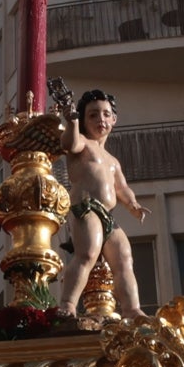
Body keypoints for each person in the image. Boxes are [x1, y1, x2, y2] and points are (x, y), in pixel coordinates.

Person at [57, 90, 151, 319]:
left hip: (108, 214)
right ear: (84, 119)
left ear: (114, 120)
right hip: (86, 207)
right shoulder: (82, 144)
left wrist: (133, 204)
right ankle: (68, 304)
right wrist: (71, 122)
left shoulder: (112, 160)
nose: (101, 119)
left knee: (124, 258)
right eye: (93, 115)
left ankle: (131, 309)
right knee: (87, 253)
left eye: (106, 114)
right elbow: (69, 144)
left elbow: (122, 188)